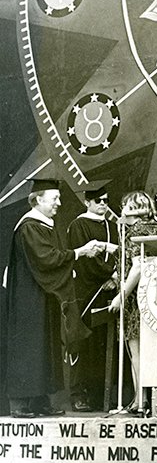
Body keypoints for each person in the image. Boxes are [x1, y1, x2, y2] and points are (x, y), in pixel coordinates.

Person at [4, 177, 104, 418]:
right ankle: (20, 404)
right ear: (38, 200)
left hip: (43, 293)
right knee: (29, 346)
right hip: (28, 298)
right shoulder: (29, 226)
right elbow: (46, 259)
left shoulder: (45, 224)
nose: (59, 203)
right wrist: (79, 253)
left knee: (44, 345)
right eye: (55, 198)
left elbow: (53, 257)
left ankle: (39, 401)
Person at [109, 191, 157, 413]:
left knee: (136, 350)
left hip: (136, 298)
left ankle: (140, 401)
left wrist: (121, 295)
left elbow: (138, 266)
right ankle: (143, 399)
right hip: (154, 296)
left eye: (125, 206)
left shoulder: (136, 231)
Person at [67, 180, 118, 412]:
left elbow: (120, 253)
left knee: (102, 344)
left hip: (109, 290)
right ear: (87, 202)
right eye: (99, 201)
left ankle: (100, 395)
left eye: (107, 201)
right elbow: (86, 260)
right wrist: (107, 275)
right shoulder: (78, 225)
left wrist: (116, 278)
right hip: (87, 290)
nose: (103, 205)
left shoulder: (112, 226)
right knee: (83, 342)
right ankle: (79, 394)